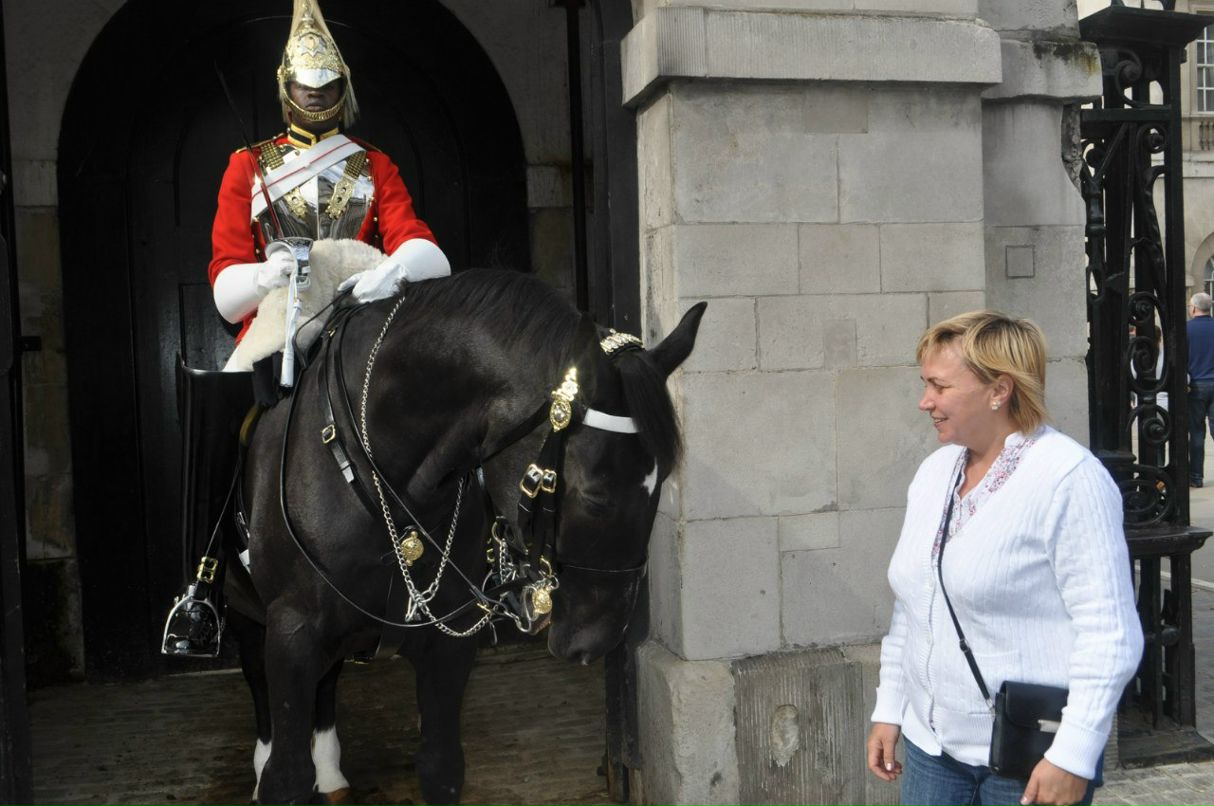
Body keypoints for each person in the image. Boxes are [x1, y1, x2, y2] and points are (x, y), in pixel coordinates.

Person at [161, 0, 450, 656]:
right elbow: (224, 288)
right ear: (284, 87)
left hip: (362, 315)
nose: (314, 95)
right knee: (217, 407)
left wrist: (388, 271)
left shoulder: (374, 165)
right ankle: (201, 584)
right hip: (278, 325)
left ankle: (456, 564)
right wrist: (267, 273)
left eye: (325, 85)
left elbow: (424, 248)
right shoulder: (248, 165)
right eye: (303, 85)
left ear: (342, 87)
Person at [866, 311, 1143, 806]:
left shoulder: (1068, 479)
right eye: (925, 384)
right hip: (932, 751)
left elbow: (1110, 633)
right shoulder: (935, 472)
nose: (925, 401)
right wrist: (891, 706)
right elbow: (913, 602)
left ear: (999, 390)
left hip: (1029, 756)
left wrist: (1073, 755)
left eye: (940, 386)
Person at [1188, 292, 1214, 488]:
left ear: (1194, 308)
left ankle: (1196, 477)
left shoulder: (1186, 329)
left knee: (1197, 433)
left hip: (1196, 384)